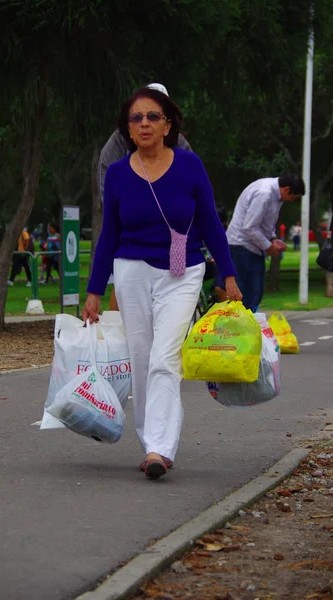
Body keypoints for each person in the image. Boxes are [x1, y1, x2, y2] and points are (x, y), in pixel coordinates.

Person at [83, 87, 242, 480]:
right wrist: (95, 290)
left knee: (164, 358)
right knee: (141, 359)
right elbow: (108, 235)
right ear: (127, 128)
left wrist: (229, 274)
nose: (144, 124)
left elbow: (209, 223)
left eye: (153, 117)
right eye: (136, 119)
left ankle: (160, 448)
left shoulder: (189, 165)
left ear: (168, 124)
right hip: (131, 271)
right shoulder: (118, 173)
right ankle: (148, 437)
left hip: (182, 272)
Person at [97, 83, 193, 311]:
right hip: (131, 223)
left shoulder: (180, 143)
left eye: (155, 114)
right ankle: (116, 332)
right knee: (124, 282)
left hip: (169, 230)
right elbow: (108, 189)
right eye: (141, 114)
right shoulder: (118, 142)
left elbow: (193, 192)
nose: (146, 122)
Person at [226, 174, 305, 311]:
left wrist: (273, 239)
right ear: (286, 189)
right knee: (246, 296)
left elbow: (265, 223)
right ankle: (240, 328)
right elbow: (249, 227)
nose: (291, 201)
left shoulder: (275, 196)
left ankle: (251, 324)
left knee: (256, 294)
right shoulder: (264, 194)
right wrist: (268, 246)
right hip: (242, 246)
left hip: (253, 247)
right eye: (293, 197)